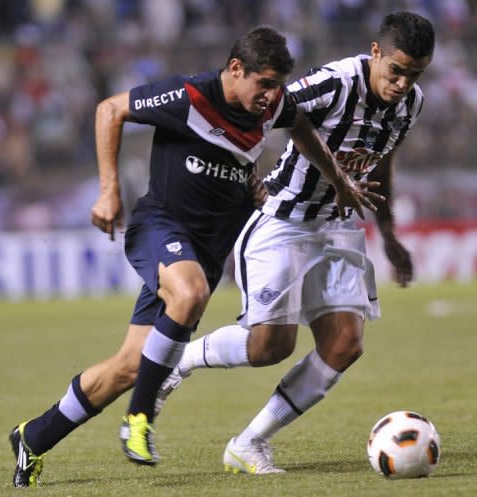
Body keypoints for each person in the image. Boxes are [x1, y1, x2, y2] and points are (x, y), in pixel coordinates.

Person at [8, 26, 375, 487]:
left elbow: (301, 128)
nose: (271, 95)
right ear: (235, 69)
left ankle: (33, 437)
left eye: (278, 85)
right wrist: (108, 192)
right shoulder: (188, 96)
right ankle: (138, 420)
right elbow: (110, 109)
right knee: (191, 291)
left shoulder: (274, 105)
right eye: (263, 83)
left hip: (204, 249)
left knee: (129, 366)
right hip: (159, 228)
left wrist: (337, 181)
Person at [155, 11, 435, 474]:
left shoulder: (412, 104)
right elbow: (265, 108)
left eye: (415, 74)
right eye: (397, 71)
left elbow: (381, 162)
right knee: (269, 347)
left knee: (345, 344)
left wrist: (389, 234)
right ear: (376, 53)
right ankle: (178, 360)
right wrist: (245, 176)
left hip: (338, 226)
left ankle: (249, 444)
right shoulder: (336, 83)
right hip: (284, 220)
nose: (403, 84)